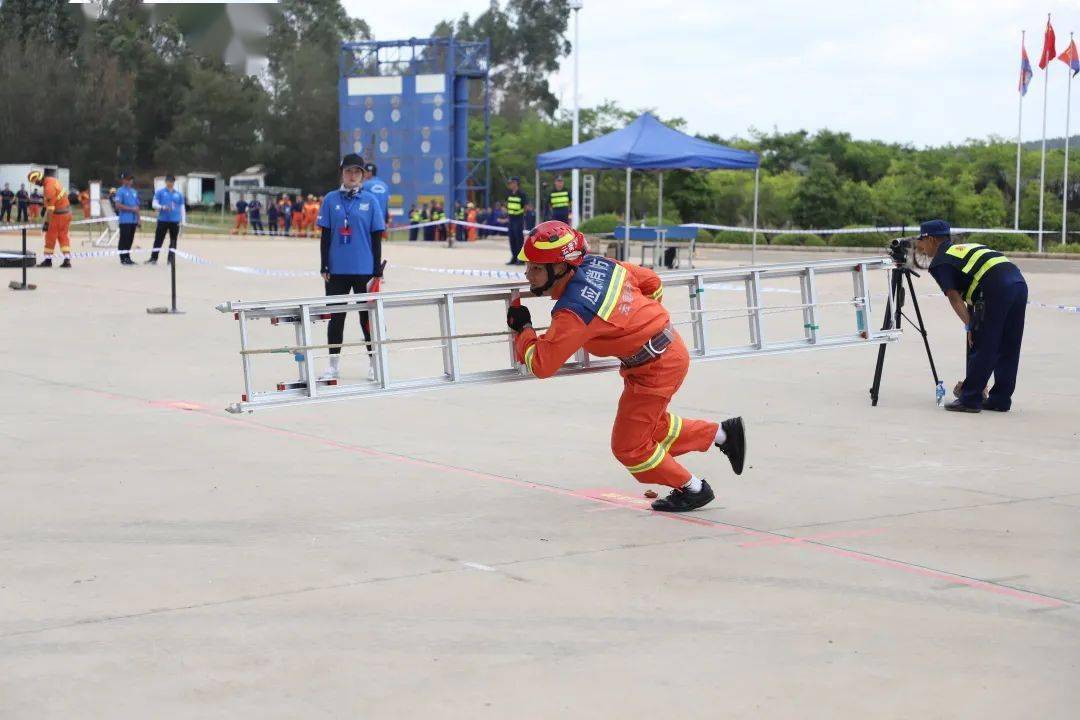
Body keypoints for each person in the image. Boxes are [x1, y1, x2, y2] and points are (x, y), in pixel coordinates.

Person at [505, 221, 746, 512]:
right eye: (529, 266)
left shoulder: (574, 312)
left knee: (630, 447)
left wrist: (524, 329)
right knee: (650, 427)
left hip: (655, 367)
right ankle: (723, 434)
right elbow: (652, 283)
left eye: (536, 268)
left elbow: (542, 364)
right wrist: (641, 323)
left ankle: (693, 488)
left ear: (562, 268)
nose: (527, 274)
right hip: (661, 353)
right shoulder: (600, 264)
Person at [916, 219, 1028, 413]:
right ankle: (1000, 399)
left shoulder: (940, 262)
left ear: (931, 239)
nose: (920, 246)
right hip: (1018, 283)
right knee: (1009, 344)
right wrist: (973, 320)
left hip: (996, 286)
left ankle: (970, 398)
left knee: (984, 342)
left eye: (921, 240)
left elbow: (954, 297)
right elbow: (971, 288)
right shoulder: (962, 250)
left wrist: (970, 327)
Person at [317, 153, 386, 382]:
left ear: (363, 175)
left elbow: (376, 237)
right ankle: (333, 365)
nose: (353, 175)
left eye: (357, 172)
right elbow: (325, 236)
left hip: (364, 269)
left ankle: (374, 363)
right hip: (337, 270)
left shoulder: (370, 201)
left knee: (366, 319)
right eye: (349, 171)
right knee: (336, 318)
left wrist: (377, 270)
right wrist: (324, 264)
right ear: (342, 173)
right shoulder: (330, 200)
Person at [30, 169, 74, 267]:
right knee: (63, 236)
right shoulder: (52, 180)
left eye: (36, 181)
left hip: (58, 215)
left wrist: (47, 223)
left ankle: (48, 261)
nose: (36, 184)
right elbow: (55, 197)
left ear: (40, 178)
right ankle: (67, 260)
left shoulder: (48, 188)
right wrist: (44, 207)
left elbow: (51, 210)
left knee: (50, 237)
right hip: (67, 213)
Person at [147, 174, 184, 264]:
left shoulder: (178, 194)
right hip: (163, 220)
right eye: (168, 181)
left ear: (174, 182)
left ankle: (171, 259)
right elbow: (154, 204)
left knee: (173, 240)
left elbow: (182, 208)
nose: (170, 183)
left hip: (175, 221)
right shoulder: (160, 192)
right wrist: (162, 207)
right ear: (165, 182)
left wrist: (183, 221)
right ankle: (153, 258)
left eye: (171, 181)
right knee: (158, 240)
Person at [113, 171, 141, 265]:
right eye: (128, 179)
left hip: (133, 220)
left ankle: (128, 256)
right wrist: (131, 209)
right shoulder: (120, 191)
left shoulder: (134, 191)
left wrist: (139, 219)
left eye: (131, 179)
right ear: (123, 180)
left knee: (130, 239)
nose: (130, 181)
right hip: (125, 220)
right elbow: (117, 205)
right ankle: (123, 258)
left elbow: (137, 206)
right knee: (124, 239)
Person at [505, 177, 527, 265]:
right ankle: (514, 257)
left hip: (518, 218)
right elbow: (507, 204)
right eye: (509, 183)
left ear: (516, 183)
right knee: (512, 238)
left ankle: (520, 259)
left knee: (519, 239)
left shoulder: (522, 194)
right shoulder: (509, 193)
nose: (510, 184)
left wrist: (520, 215)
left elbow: (525, 207)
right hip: (511, 218)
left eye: (512, 183)